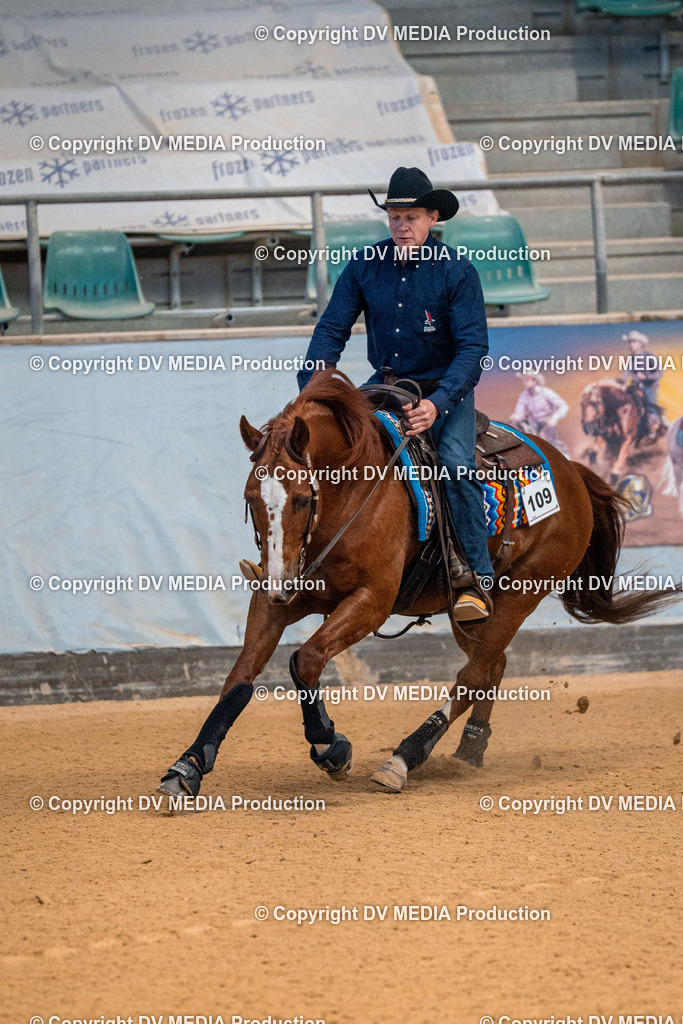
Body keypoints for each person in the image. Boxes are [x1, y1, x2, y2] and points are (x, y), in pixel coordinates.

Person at [296, 166, 495, 621]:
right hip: (383, 389)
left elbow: (473, 349)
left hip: (445, 395)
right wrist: (312, 388)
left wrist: (437, 403)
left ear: (432, 218)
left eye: (411, 217)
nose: (402, 226)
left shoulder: (458, 272)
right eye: (394, 217)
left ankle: (476, 579)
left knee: (456, 465)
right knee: (334, 451)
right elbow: (330, 330)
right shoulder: (365, 265)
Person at [509, 372, 570, 457]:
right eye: (523, 380)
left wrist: (554, 418)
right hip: (533, 423)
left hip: (547, 422)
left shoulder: (546, 392)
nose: (524, 382)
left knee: (547, 442)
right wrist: (515, 417)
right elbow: (520, 413)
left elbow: (563, 405)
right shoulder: (524, 395)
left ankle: (564, 458)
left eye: (527, 379)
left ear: (535, 381)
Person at [619, 330, 664, 441]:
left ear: (640, 343)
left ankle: (653, 428)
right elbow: (626, 373)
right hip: (636, 387)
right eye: (630, 342)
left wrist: (646, 377)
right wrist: (621, 382)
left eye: (633, 342)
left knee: (650, 405)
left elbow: (659, 373)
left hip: (649, 387)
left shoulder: (649, 356)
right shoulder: (630, 359)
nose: (631, 344)